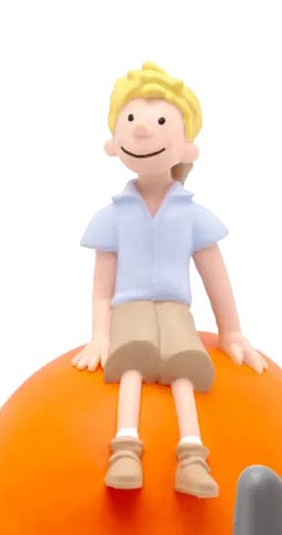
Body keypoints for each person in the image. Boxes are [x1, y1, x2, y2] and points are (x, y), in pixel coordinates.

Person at [72, 62, 265, 498]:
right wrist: (100, 335)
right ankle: (125, 449)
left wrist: (232, 332)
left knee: (184, 366)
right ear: (113, 142)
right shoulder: (113, 216)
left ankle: (192, 457)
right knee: (131, 360)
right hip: (129, 307)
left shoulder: (192, 215)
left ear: (189, 148)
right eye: (131, 119)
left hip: (176, 309)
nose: (143, 130)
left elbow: (216, 276)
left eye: (160, 122)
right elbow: (101, 287)